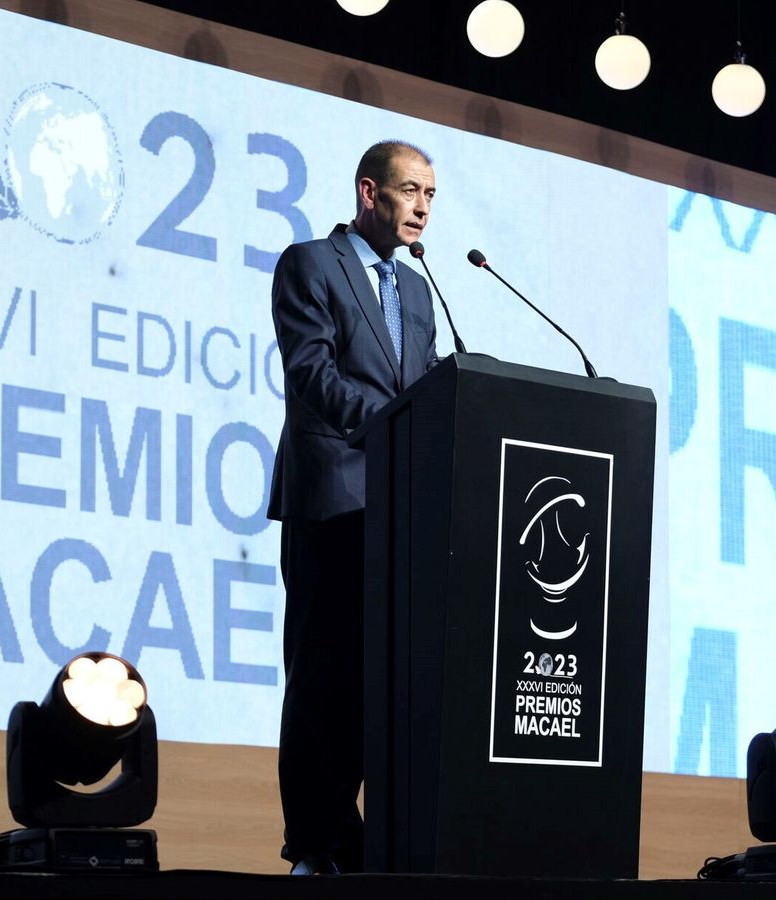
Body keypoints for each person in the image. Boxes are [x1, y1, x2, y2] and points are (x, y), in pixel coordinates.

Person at [266, 140, 439, 875]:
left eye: (431, 193)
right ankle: (314, 843)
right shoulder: (310, 264)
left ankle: (358, 838)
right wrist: (397, 421)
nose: (424, 207)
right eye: (410, 191)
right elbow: (312, 373)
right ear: (369, 193)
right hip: (333, 497)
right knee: (323, 674)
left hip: (396, 509)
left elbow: (429, 385)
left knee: (379, 681)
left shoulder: (419, 292)